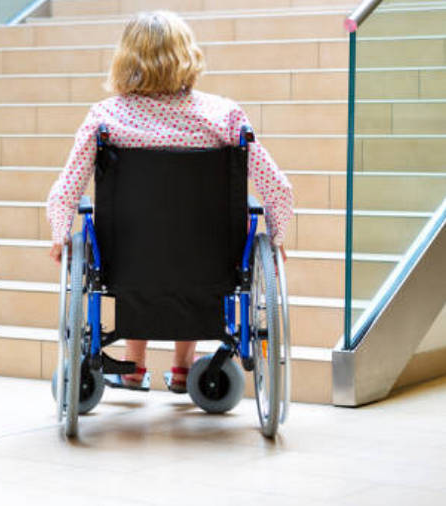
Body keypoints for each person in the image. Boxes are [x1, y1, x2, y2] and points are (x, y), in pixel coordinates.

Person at [45, 10, 293, 393]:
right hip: (209, 263)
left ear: (126, 59)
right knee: (193, 245)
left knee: (141, 247)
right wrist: (277, 235)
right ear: (187, 56)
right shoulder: (224, 116)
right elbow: (276, 187)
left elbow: (67, 189)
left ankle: (133, 366)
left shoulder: (105, 119)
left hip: (129, 263)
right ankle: (182, 369)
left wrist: (60, 233)